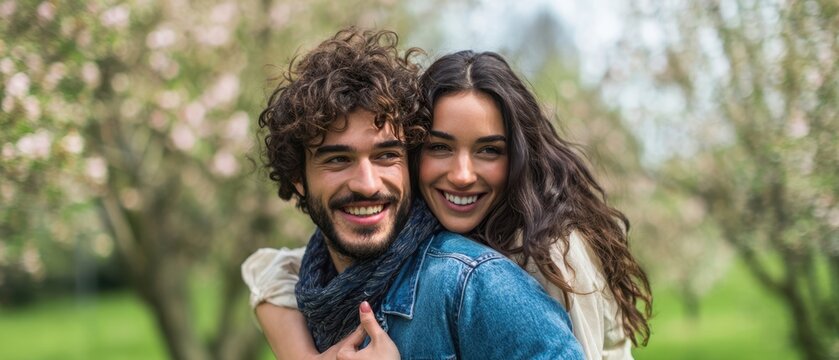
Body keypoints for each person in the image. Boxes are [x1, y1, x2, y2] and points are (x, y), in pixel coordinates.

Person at [248, 27, 584, 359]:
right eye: (338, 159)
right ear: (298, 178)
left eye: (386, 156)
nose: (367, 184)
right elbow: (265, 272)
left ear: (409, 164)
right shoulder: (311, 288)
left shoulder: (475, 284)